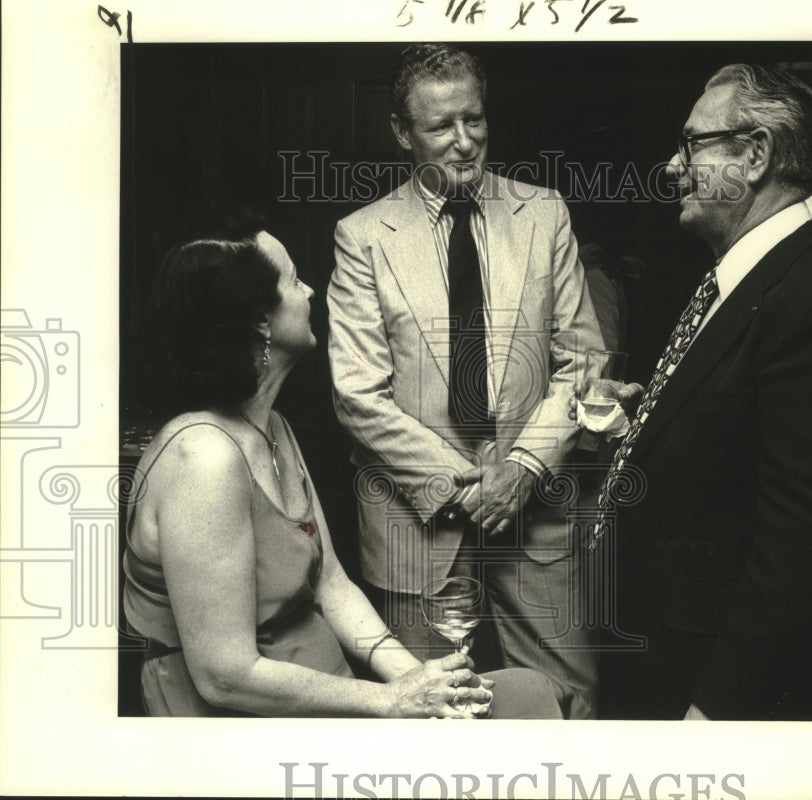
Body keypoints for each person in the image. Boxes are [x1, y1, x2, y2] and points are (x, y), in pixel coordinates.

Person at [122, 218, 562, 718]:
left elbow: (331, 583)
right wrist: (390, 700)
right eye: (292, 281)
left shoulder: (274, 427)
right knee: (521, 710)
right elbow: (226, 677)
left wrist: (413, 676)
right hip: (241, 726)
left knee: (526, 692)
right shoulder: (203, 458)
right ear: (260, 321)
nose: (310, 290)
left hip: (329, 691)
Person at [579, 64, 812, 720]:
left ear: (756, 154)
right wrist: (647, 426)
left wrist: (715, 712)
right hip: (660, 658)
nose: (670, 166)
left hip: (707, 693)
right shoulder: (746, 276)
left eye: (691, 145)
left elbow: (804, 540)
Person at [327, 44, 605, 718]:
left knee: (571, 704)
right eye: (440, 127)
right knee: (433, 715)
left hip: (532, 514)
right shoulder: (362, 236)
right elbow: (357, 395)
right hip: (415, 523)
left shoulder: (544, 215)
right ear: (402, 133)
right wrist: (472, 484)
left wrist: (522, 468)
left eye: (474, 121)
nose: (463, 144)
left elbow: (583, 362)